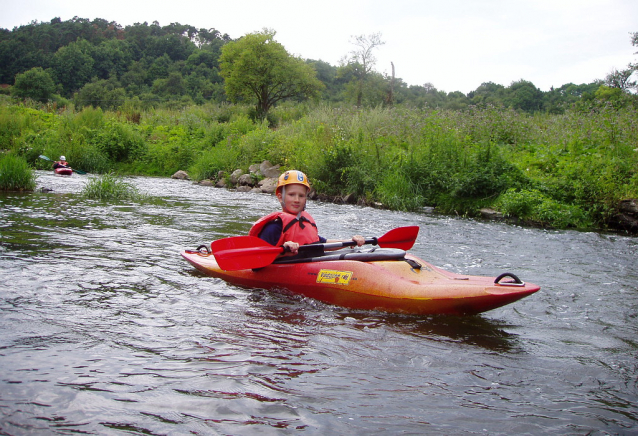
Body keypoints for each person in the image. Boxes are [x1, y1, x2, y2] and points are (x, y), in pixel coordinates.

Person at [249, 170, 365, 255]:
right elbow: (257, 260)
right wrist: (283, 249)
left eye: (301, 196)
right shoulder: (274, 228)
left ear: (306, 198)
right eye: (291, 195)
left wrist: (350, 241)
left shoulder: (305, 222)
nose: (296, 200)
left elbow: (322, 243)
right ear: (280, 197)